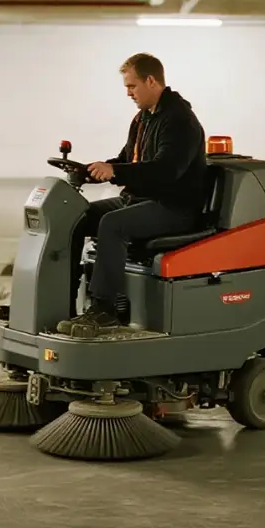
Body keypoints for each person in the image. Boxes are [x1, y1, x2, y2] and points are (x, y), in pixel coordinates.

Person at [58, 52, 208, 337]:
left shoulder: (179, 120)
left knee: (113, 224)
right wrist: (92, 171)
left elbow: (166, 171)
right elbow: (127, 159)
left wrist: (114, 171)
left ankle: (105, 310)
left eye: (132, 86)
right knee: (79, 216)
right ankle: (64, 296)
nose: (128, 93)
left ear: (151, 81)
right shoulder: (143, 119)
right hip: (141, 199)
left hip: (174, 208)